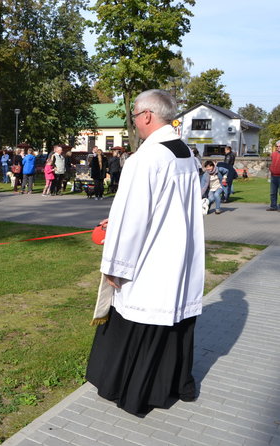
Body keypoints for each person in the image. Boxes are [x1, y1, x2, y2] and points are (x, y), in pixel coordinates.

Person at [86, 89, 204, 416]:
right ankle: (175, 384)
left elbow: (135, 218)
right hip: (179, 253)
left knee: (141, 312)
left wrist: (115, 268)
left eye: (135, 117)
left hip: (151, 259)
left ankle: (134, 392)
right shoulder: (185, 153)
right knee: (173, 319)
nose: (135, 124)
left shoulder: (146, 158)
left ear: (148, 116)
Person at [268, 140, 280, 211]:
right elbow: (270, 163)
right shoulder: (273, 154)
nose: (278, 147)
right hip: (273, 176)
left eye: (279, 146)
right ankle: (273, 206)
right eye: (277, 146)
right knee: (273, 192)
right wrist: (271, 169)